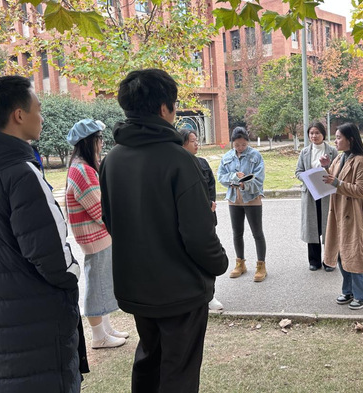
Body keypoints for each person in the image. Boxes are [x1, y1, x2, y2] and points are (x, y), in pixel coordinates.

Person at [0, 75, 82, 392]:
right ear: (19, 115)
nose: (42, 117)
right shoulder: (21, 173)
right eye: (39, 108)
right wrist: (74, 273)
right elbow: (53, 258)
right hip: (32, 322)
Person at [99, 69, 228, 392]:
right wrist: (219, 263)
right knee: (178, 372)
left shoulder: (112, 160)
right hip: (180, 291)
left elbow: (111, 221)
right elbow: (198, 234)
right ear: (163, 108)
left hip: (136, 286)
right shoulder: (179, 160)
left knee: (149, 361)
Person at [66, 119, 128, 349]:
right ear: (88, 142)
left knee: (103, 282)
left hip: (98, 235)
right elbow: (99, 209)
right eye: (99, 138)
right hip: (95, 236)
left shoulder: (83, 166)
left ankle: (106, 328)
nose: (102, 143)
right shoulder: (82, 170)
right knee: (97, 285)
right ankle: (98, 336)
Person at [321, 123, 363, 310]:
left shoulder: (361, 161)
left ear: (350, 139)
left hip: (356, 215)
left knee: (357, 254)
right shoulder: (339, 158)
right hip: (339, 213)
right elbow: (332, 179)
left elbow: (362, 190)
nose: (335, 141)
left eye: (339, 137)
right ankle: (349, 290)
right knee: (342, 252)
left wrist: (337, 183)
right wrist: (325, 168)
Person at [179, 128, 224, 311]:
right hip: (187, 222)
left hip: (206, 218)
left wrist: (209, 204)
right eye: (192, 141)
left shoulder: (202, 163)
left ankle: (209, 295)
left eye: (197, 140)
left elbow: (211, 186)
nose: (197, 144)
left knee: (206, 257)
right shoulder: (177, 166)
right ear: (182, 143)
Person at [217, 126, 267, 282]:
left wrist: (245, 184)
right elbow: (221, 177)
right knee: (237, 233)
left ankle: (261, 265)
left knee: (257, 233)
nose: (240, 147)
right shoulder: (227, 157)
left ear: (248, 142)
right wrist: (234, 177)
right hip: (234, 199)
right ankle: (240, 263)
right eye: (237, 145)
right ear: (232, 143)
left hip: (252, 198)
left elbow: (259, 179)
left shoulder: (256, 156)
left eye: (243, 144)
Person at [295, 122, 338, 271]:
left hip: (327, 193)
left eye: (317, 133)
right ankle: (314, 261)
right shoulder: (304, 152)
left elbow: (338, 170)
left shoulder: (332, 151)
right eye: (311, 133)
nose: (314, 136)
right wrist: (307, 178)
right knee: (312, 227)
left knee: (329, 227)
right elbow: (298, 171)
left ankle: (330, 261)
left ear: (323, 134)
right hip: (310, 193)